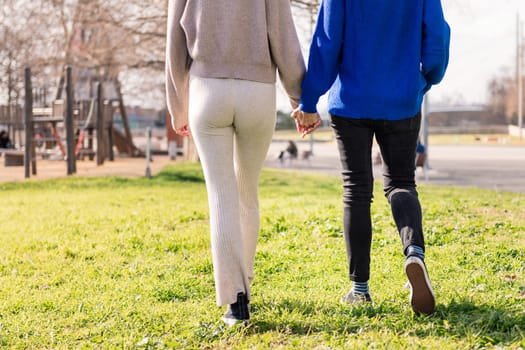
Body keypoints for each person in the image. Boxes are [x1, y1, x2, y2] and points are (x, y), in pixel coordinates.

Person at [293, 0, 450, 315]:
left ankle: (360, 289)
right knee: (401, 182)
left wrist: (310, 100)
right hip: (402, 99)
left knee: (357, 189)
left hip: (350, 101)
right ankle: (414, 251)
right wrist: (426, 79)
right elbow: (437, 39)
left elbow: (326, 41)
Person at [165, 0, 316, 326]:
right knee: (247, 192)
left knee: (222, 196)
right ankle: (244, 282)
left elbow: (174, 41)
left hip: (207, 89)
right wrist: (299, 98)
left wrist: (178, 104)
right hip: (258, 92)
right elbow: (283, 34)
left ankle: (236, 302)